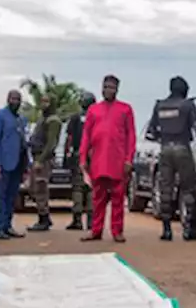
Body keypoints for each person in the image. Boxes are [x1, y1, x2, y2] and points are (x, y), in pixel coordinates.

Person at [145, 76, 196, 241]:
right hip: (183, 148)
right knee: (189, 188)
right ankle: (189, 229)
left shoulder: (160, 106)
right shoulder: (188, 105)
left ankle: (166, 230)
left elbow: (150, 132)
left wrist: (163, 137)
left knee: (166, 189)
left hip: (165, 149)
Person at [80, 75, 137, 242]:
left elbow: (131, 136)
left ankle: (117, 231)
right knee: (98, 199)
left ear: (117, 89)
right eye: (105, 87)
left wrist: (129, 159)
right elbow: (86, 136)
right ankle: (95, 230)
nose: (108, 90)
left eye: (111, 87)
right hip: (98, 162)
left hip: (118, 162)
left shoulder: (125, 109)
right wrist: (83, 159)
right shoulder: (93, 110)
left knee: (118, 198)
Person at [0, 89, 28, 240]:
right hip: (4, 163)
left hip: (18, 163)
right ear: (8, 100)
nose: (15, 102)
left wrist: (27, 164)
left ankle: (7, 226)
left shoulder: (20, 119)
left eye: (18, 99)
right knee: (0, 196)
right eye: (13, 99)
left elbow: (24, 142)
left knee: (12, 197)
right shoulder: (0, 116)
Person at [27, 94, 63, 231]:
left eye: (47, 102)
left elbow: (51, 143)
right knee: (33, 188)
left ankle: (44, 218)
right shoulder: (43, 118)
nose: (44, 104)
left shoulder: (53, 121)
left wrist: (41, 160)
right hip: (36, 156)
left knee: (40, 188)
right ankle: (44, 216)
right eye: (42, 101)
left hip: (43, 159)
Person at [63, 92, 95, 230]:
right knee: (91, 187)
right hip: (94, 156)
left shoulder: (76, 118)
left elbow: (69, 138)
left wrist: (67, 154)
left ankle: (77, 220)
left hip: (78, 155)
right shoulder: (97, 117)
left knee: (77, 187)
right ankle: (91, 220)